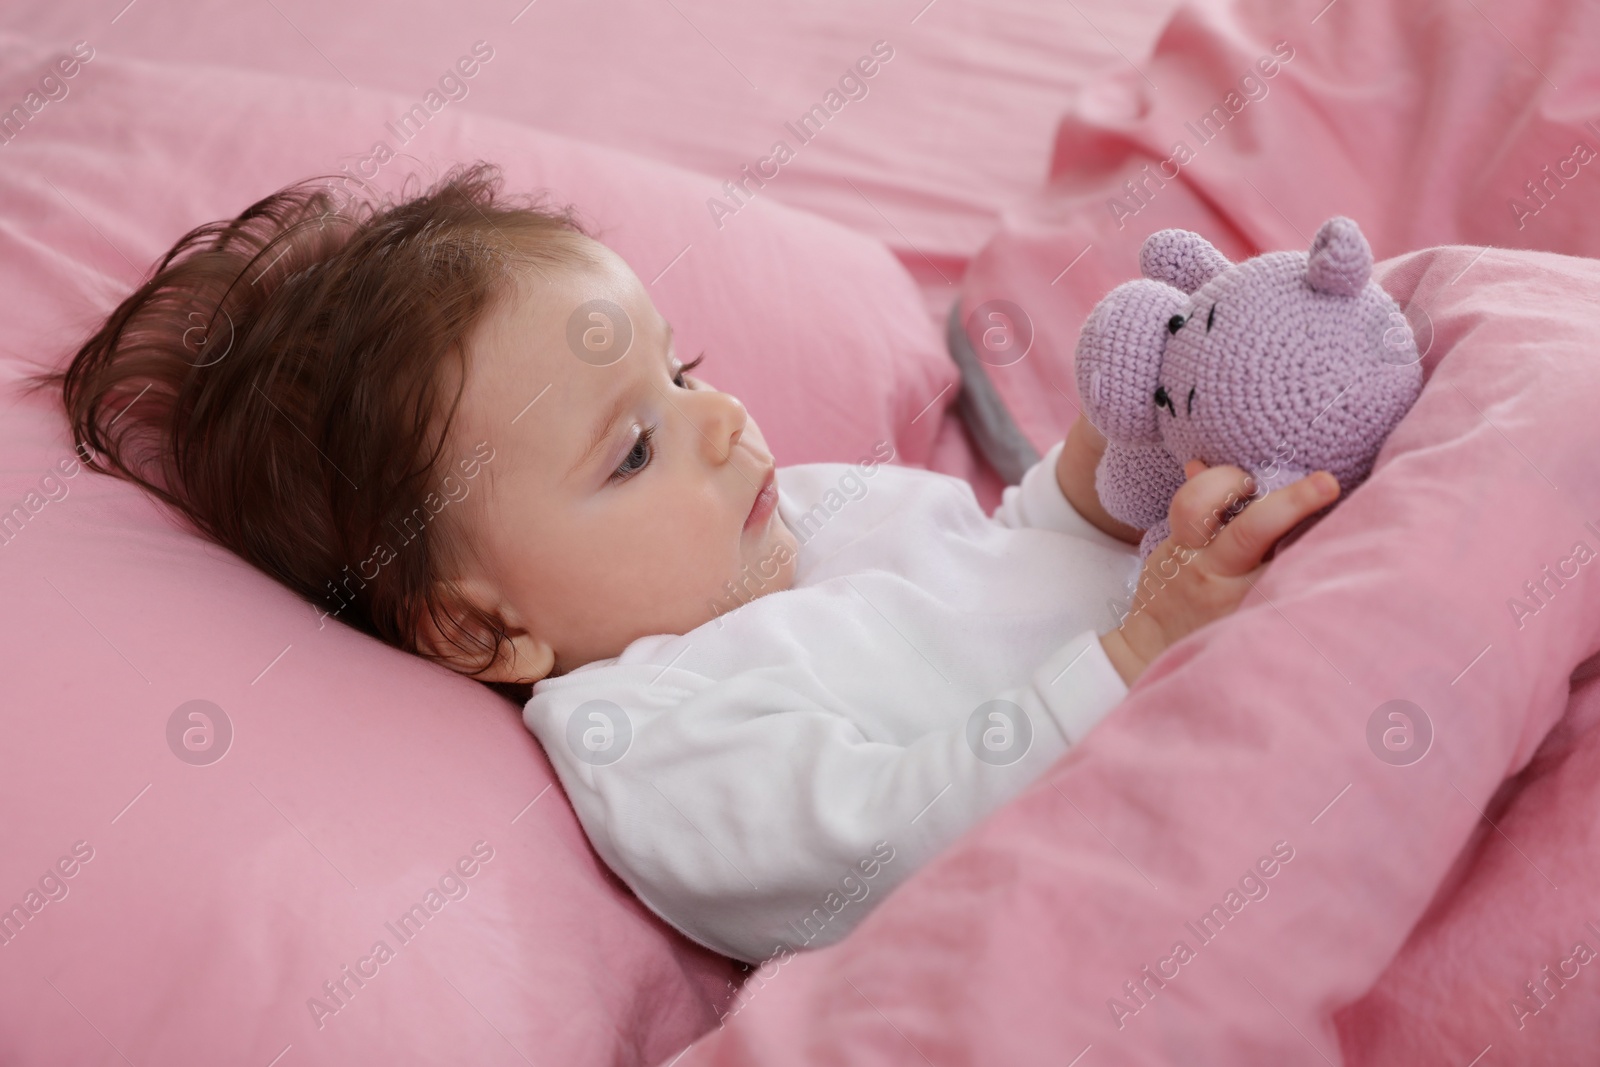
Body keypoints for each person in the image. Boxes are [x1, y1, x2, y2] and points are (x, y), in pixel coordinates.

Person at [34, 162, 1339, 965]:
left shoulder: (800, 518)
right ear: (482, 630)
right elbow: (893, 849)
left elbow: (1006, 561)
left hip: (1238, 638)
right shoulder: (649, 733)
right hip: (1167, 839)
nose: (719, 422)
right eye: (632, 452)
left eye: (684, 371)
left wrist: (1118, 453)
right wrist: (1136, 654)